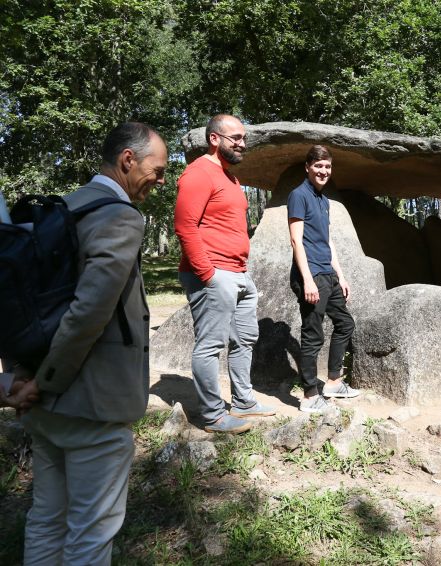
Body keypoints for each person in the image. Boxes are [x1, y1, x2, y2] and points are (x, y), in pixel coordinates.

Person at [0, 122, 166, 563]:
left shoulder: (62, 210)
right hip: (93, 405)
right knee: (90, 534)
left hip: (44, 406)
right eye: (159, 169)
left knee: (46, 518)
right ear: (128, 160)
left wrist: (24, 378)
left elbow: (25, 304)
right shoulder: (119, 216)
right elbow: (89, 311)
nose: (162, 180)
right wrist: (46, 381)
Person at [174, 114, 275, 433]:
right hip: (213, 273)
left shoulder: (230, 178)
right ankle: (213, 415)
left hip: (239, 272)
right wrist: (208, 273)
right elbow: (184, 226)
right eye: (235, 138)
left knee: (245, 337)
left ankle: (244, 401)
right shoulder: (198, 172)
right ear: (214, 139)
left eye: (244, 138)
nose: (242, 143)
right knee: (210, 344)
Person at [288, 145, 359, 413]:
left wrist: (340, 275)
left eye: (327, 167)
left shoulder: (323, 199)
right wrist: (307, 280)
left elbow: (327, 239)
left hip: (328, 274)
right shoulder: (299, 195)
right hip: (311, 275)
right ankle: (308, 396)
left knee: (345, 323)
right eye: (318, 166)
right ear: (307, 167)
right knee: (313, 334)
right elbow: (296, 240)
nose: (323, 171)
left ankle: (332, 382)